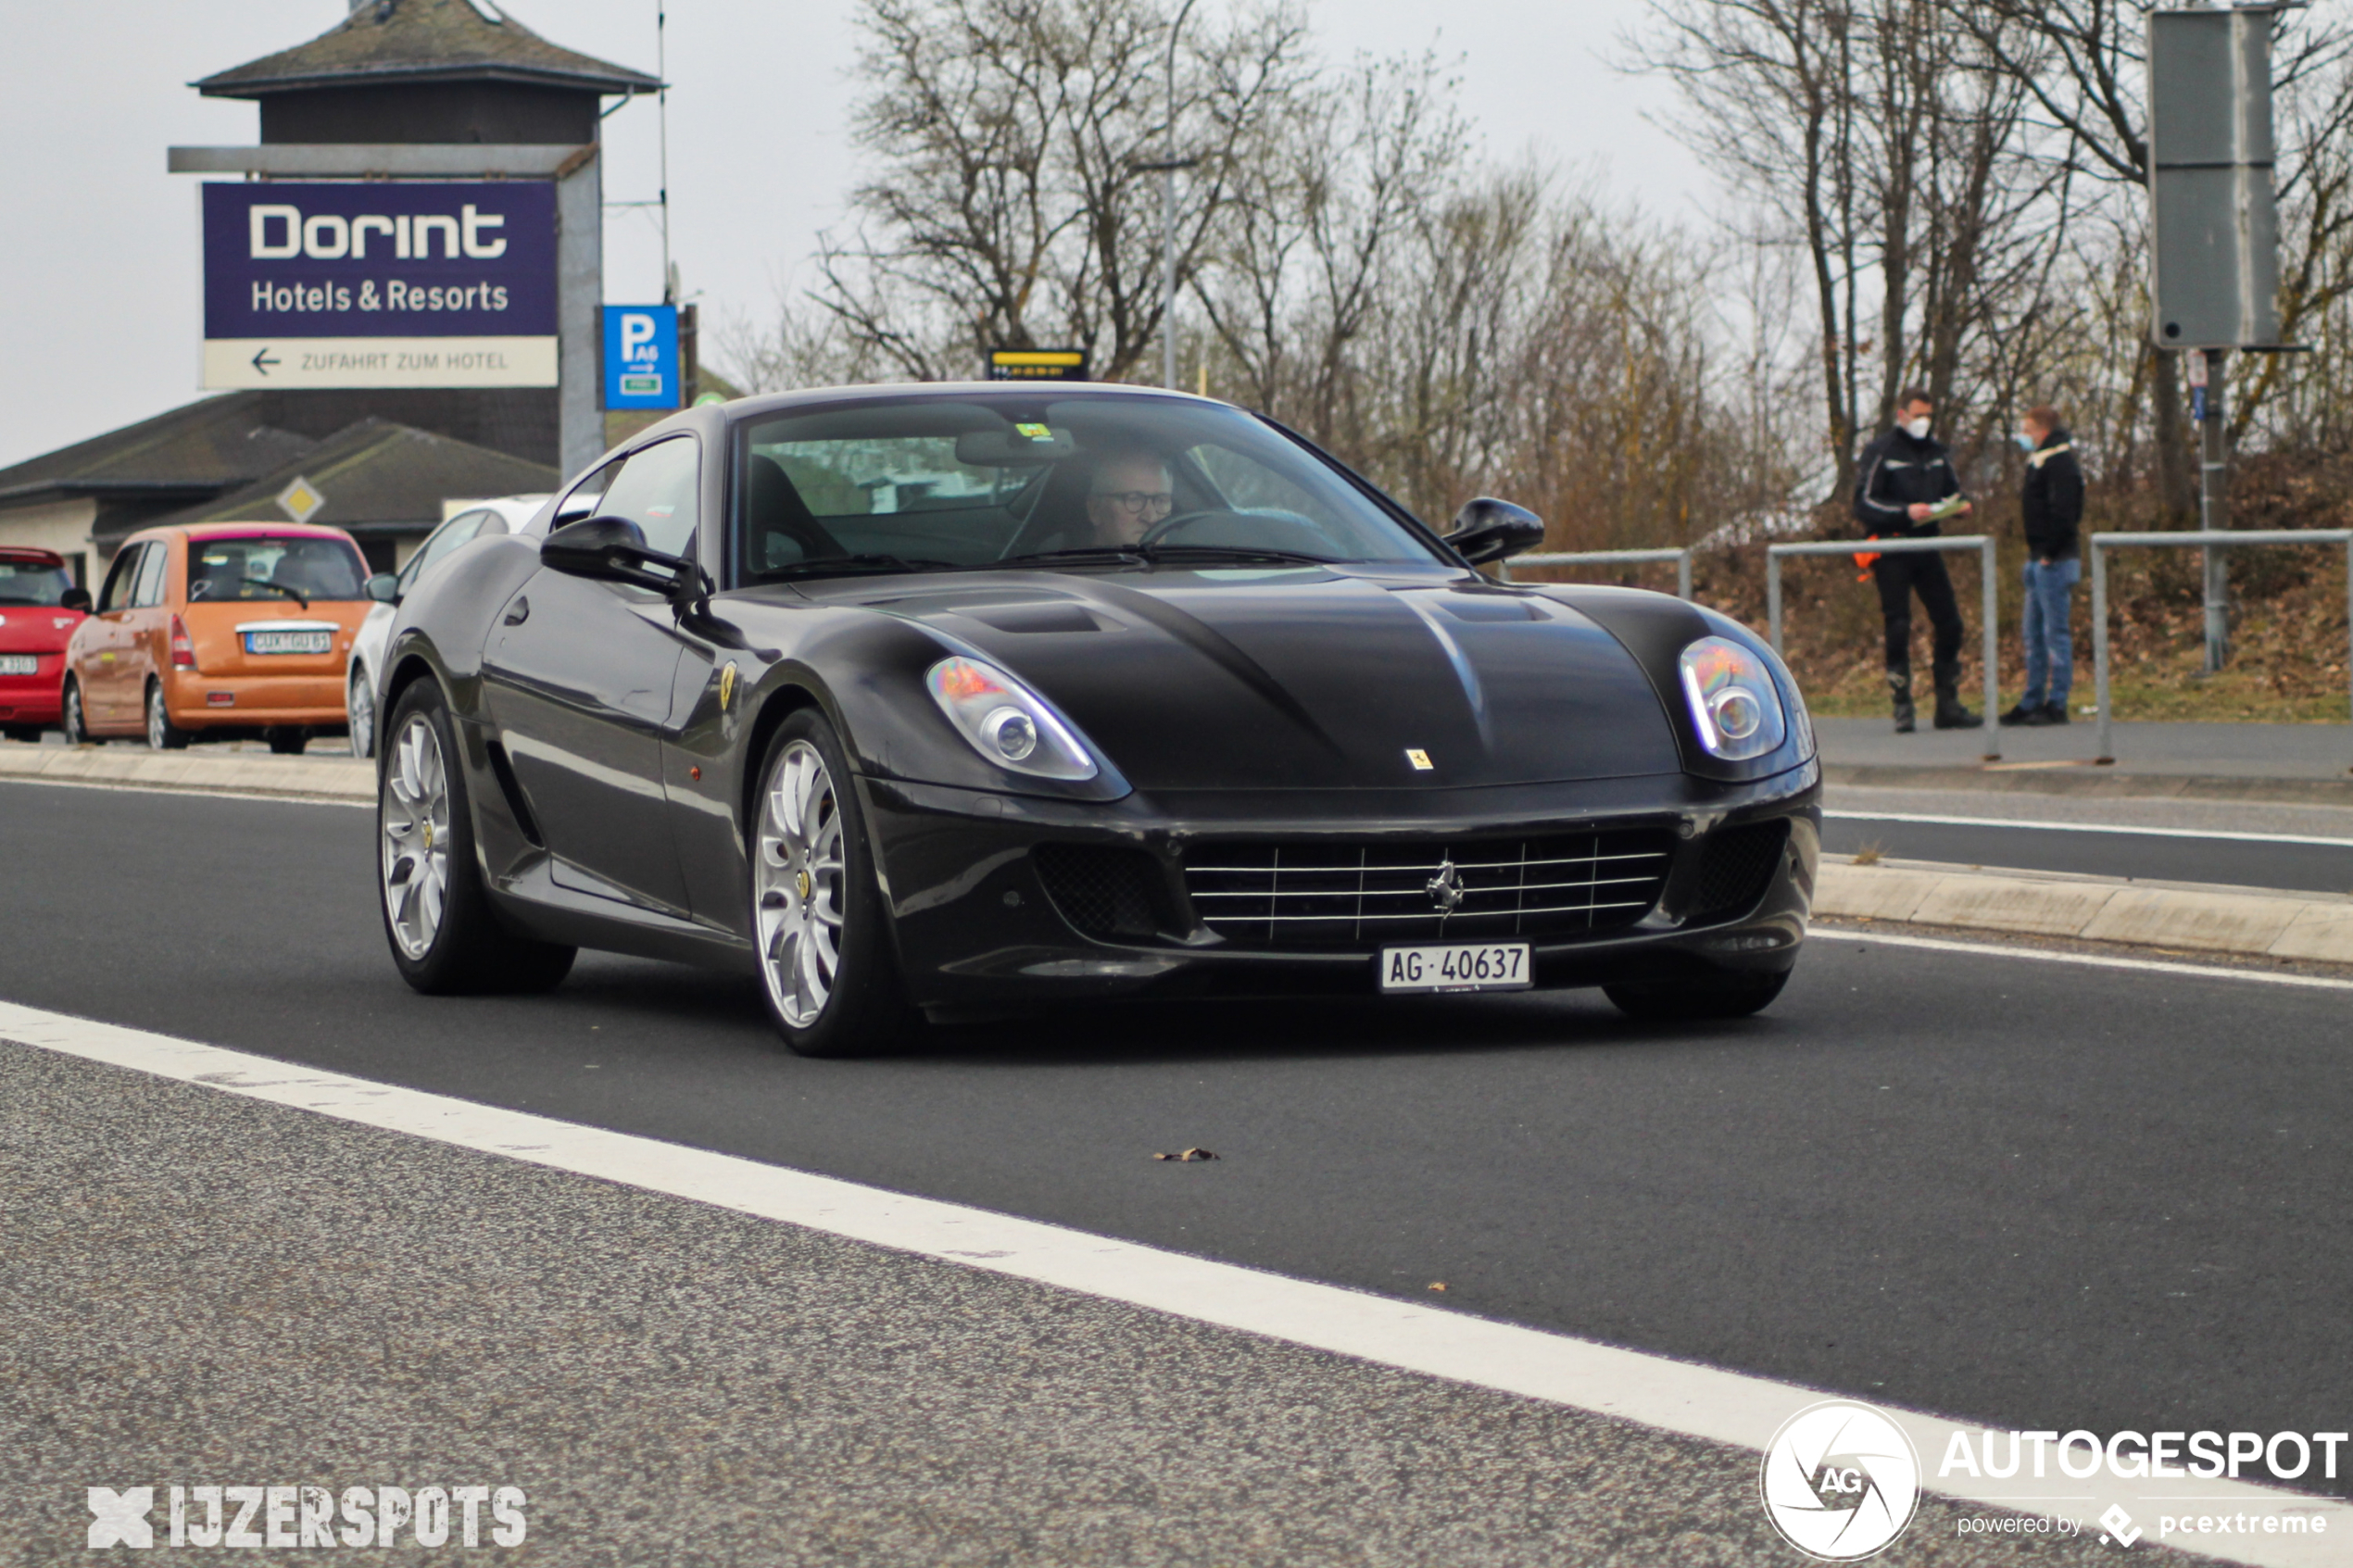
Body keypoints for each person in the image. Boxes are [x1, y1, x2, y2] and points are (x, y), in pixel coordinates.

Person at [1855, 387, 1981, 732]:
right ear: (1902, 415)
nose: (1924, 421)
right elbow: (1863, 503)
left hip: (1927, 546)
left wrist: (1960, 505)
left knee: (1950, 622)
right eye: (1918, 414)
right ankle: (1902, 703)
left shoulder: (1936, 453)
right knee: (1898, 623)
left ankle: (1947, 703)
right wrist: (1904, 512)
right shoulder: (1882, 451)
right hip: (1892, 548)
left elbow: (1952, 491)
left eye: (1928, 415)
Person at [2000, 405, 2083, 727]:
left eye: (2027, 429)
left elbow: (2065, 512)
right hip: (2037, 559)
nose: (2024, 435)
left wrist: (2049, 550)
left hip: (2055, 560)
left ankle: (2057, 702)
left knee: (2055, 634)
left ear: (2042, 430)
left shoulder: (2060, 462)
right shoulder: (2038, 462)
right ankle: (2031, 699)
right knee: (2032, 635)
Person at [1083, 449, 1176, 547]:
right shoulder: (1073, 562)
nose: (1152, 518)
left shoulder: (1186, 557)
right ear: (1095, 510)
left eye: (1161, 500)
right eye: (1134, 499)